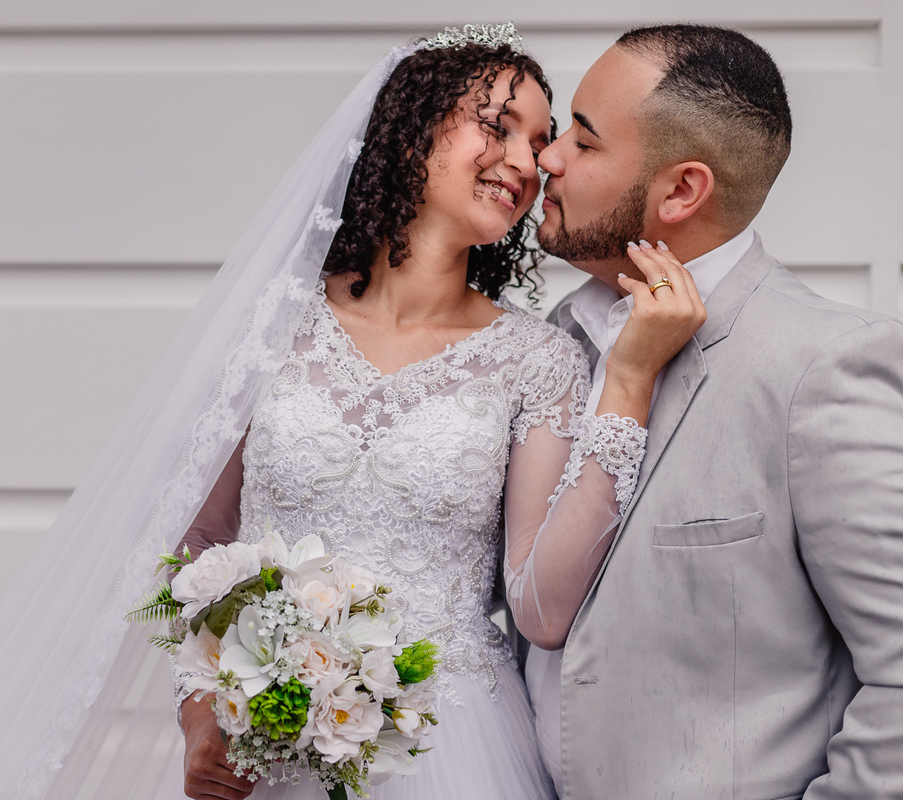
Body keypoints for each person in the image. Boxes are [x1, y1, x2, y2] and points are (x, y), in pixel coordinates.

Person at [165, 26, 704, 800]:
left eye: (541, 143)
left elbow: (541, 609)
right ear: (411, 127)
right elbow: (200, 546)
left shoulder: (536, 361)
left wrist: (629, 380)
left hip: (447, 750)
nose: (527, 162)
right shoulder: (273, 325)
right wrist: (199, 712)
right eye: (499, 126)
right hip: (269, 751)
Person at [525, 23, 903, 799]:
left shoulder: (823, 366)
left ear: (681, 191)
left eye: (584, 142)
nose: (547, 158)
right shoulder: (557, 340)